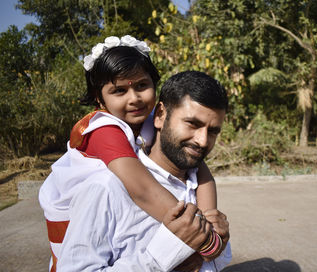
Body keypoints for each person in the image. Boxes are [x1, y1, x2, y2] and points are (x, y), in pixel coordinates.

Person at [39, 35, 221, 270]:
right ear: (99, 97)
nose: (134, 98)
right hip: (70, 218)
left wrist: (209, 217)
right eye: (119, 91)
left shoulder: (151, 117)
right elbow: (143, 190)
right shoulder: (102, 129)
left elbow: (201, 170)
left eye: (141, 86)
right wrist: (204, 239)